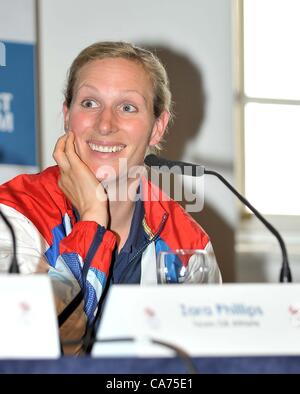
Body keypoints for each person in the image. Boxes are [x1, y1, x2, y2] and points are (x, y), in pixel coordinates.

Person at [0, 41, 219, 355]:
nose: (105, 124)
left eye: (127, 107)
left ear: (157, 128)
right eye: (89, 103)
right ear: (67, 115)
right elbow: (44, 345)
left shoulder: (189, 242)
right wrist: (92, 218)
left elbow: (200, 362)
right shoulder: (13, 214)